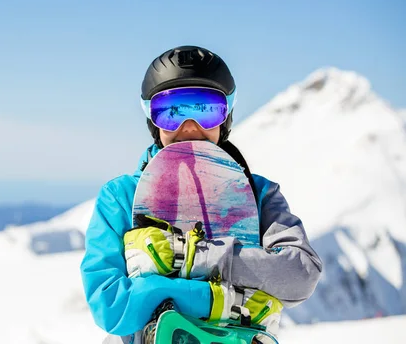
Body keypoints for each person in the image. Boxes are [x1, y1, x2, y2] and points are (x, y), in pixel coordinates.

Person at [80, 46, 323, 344]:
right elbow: (111, 306)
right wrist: (230, 298)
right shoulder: (120, 197)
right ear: (152, 121)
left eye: (206, 110)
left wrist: (193, 259)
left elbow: (300, 276)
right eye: (172, 112)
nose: (189, 128)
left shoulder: (259, 194)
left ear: (226, 117)